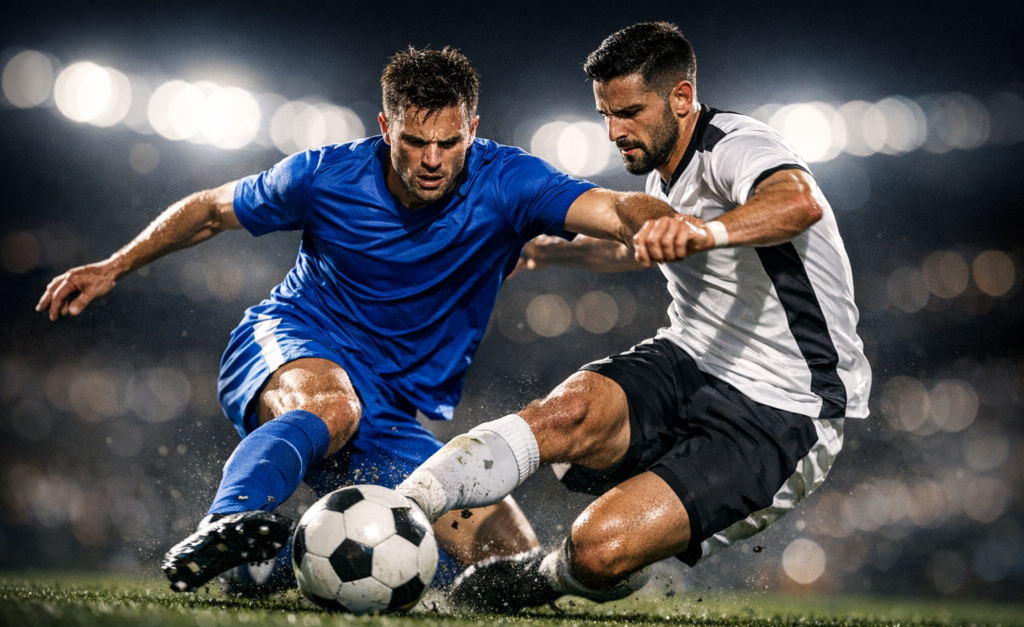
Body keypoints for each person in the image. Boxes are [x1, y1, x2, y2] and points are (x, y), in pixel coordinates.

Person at [36, 46, 675, 594]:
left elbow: (617, 212)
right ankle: (223, 527)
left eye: (449, 143)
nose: (432, 159)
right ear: (384, 127)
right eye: (414, 142)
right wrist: (113, 266)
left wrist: (670, 227)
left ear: (473, 130)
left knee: (503, 565)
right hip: (293, 343)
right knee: (333, 409)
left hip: (388, 412)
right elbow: (209, 210)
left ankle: (270, 570)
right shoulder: (325, 174)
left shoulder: (508, 182)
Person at [395, 22, 872, 611]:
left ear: (681, 97)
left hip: (784, 407)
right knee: (563, 414)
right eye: (606, 114)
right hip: (689, 359)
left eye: (630, 111)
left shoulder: (736, 145)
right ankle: (406, 503)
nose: (616, 130)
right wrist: (548, 250)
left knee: (597, 552)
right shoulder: (658, 171)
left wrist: (706, 233)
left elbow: (799, 202)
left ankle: (537, 578)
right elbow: (639, 246)